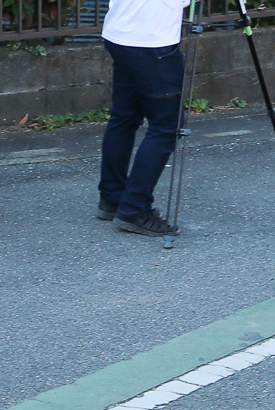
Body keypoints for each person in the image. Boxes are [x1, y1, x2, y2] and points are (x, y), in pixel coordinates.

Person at [97, 0, 185, 237]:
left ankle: (112, 197)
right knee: (166, 126)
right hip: (152, 39)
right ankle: (135, 208)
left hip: (121, 30)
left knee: (124, 117)